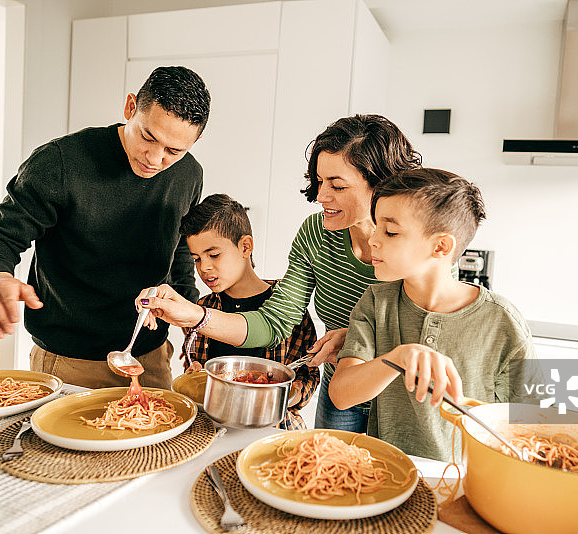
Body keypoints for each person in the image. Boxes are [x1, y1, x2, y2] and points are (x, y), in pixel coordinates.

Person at [137, 114, 421, 432]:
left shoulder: (419, 241)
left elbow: (429, 338)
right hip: (340, 388)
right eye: (319, 181)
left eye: (337, 186)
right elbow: (274, 322)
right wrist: (193, 315)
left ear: (380, 183)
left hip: (402, 396)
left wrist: (356, 340)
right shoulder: (315, 234)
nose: (320, 196)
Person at [0, 66, 211, 389]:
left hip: (149, 358)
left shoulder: (189, 175)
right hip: (68, 363)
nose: (154, 158)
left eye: (173, 151)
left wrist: (190, 314)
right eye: (148, 136)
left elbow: (178, 248)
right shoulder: (61, 162)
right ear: (130, 107)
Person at [327, 168, 541, 462]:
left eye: (390, 231)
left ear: (441, 246)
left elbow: (529, 427)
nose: (373, 239)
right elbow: (341, 394)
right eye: (376, 227)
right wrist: (397, 358)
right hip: (387, 473)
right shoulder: (376, 303)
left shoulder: (502, 321)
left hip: (469, 481)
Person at [166, 193, 319, 429]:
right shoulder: (203, 308)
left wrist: (288, 394)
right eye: (196, 259)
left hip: (272, 426)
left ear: (245, 246)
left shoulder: (287, 306)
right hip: (211, 426)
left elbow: (308, 375)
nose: (204, 267)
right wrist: (194, 373)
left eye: (214, 254)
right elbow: (195, 366)